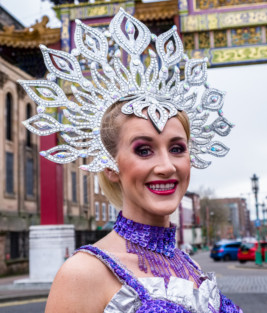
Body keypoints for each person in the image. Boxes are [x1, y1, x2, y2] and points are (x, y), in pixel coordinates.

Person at [21, 8, 241, 313]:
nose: (167, 166)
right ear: (111, 165)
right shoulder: (83, 273)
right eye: (144, 150)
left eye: (177, 148)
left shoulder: (187, 263)